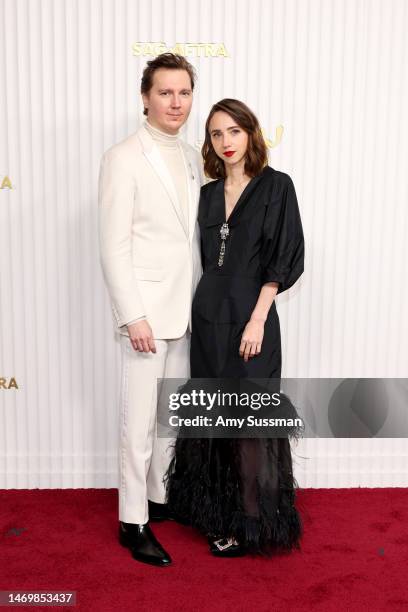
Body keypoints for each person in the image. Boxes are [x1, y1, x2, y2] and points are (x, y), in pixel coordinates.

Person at [165, 98, 305, 557]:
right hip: (208, 317)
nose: (226, 142)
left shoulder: (276, 187)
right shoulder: (203, 195)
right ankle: (215, 514)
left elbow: (284, 258)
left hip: (252, 316)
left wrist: (259, 318)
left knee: (249, 421)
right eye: (216, 134)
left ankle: (252, 520)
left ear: (251, 134)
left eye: (234, 131)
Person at [98, 53, 204, 567]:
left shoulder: (190, 155)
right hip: (146, 314)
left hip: (184, 311)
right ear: (145, 97)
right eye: (165, 92)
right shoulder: (123, 157)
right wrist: (131, 314)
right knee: (137, 423)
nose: (176, 102)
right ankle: (131, 520)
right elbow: (113, 245)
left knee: (168, 419)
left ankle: (158, 500)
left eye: (184, 92)